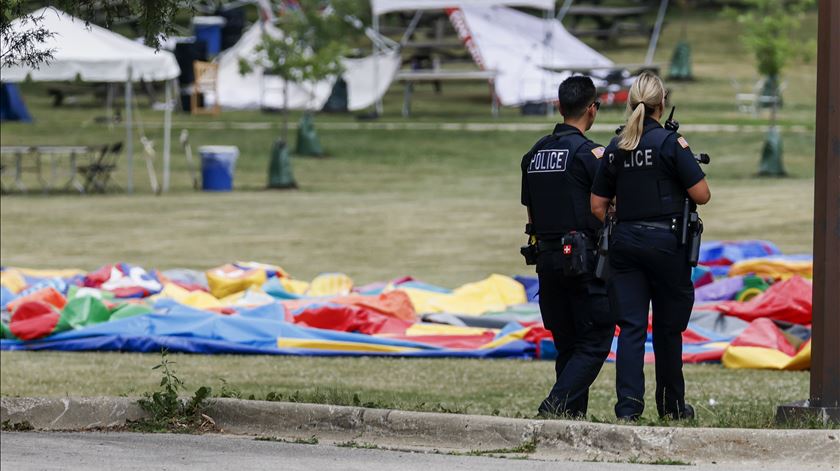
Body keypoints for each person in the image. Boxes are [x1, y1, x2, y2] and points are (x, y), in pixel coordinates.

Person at [590, 72, 711, 421]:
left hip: (625, 245)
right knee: (668, 329)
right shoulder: (671, 143)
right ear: (662, 103)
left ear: (631, 104)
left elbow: (597, 206)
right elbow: (702, 194)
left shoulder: (617, 146)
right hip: (666, 245)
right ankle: (672, 407)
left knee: (631, 328)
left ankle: (628, 409)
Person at [520, 75, 615, 418]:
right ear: (592, 109)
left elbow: (531, 213)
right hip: (582, 261)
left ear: (559, 107)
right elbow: (608, 206)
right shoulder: (590, 155)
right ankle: (553, 408)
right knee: (596, 340)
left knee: (568, 345)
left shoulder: (534, 154)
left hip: (546, 259)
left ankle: (569, 421)